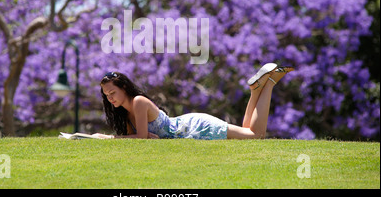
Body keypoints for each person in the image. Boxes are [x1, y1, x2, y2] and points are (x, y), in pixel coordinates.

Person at [93, 63, 294, 140]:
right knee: (248, 130)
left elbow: (143, 137)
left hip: (195, 127)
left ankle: (268, 85)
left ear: (124, 88)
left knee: (255, 135)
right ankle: (256, 90)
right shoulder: (127, 114)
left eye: (112, 93)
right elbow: (145, 140)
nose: (110, 99)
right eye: (107, 96)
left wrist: (108, 139)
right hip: (188, 127)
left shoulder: (138, 102)